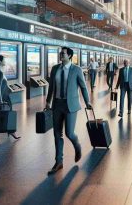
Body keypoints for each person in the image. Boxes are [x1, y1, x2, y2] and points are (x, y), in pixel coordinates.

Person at [46, 47, 92, 175]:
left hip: (70, 105)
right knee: (57, 134)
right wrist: (48, 101)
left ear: (69, 56)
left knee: (69, 133)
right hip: (57, 104)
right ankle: (58, 162)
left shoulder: (76, 70)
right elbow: (51, 87)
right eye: (60, 53)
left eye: (63, 53)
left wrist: (87, 102)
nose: (61, 55)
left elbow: (83, 87)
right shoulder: (55, 69)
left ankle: (77, 146)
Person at [0, 55, 21, 145]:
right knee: (6, 116)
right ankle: (11, 132)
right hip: (2, 99)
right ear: (0, 62)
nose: (5, 61)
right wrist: (0, 102)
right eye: (4, 60)